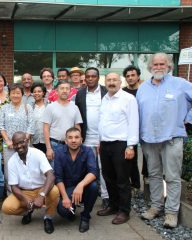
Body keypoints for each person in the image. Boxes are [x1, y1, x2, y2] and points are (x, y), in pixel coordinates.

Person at [137, 53, 192, 228]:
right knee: (153, 175)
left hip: (171, 138)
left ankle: (171, 213)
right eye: (156, 64)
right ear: (150, 67)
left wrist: (188, 118)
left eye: (162, 64)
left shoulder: (180, 84)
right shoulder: (143, 87)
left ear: (169, 66)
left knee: (172, 177)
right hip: (149, 139)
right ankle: (155, 207)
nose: (159, 67)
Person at [97, 72, 139, 225]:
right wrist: (100, 141)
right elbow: (103, 122)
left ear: (120, 82)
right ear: (105, 82)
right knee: (108, 178)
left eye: (115, 80)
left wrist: (131, 146)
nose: (111, 82)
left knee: (122, 180)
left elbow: (134, 123)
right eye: (109, 80)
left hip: (121, 144)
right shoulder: (105, 98)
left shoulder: (128, 99)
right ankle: (113, 206)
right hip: (105, 144)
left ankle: (124, 211)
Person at [1, 132, 59, 234]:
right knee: (7, 207)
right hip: (25, 192)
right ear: (13, 145)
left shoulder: (38, 154)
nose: (19, 146)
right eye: (16, 144)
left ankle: (48, 217)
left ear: (27, 141)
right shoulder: (12, 161)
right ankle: (28, 211)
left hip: (42, 188)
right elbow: (13, 187)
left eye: (21, 142)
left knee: (54, 191)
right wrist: (25, 200)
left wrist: (41, 196)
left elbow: (51, 175)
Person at [74, 67, 109, 209]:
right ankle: (84, 196)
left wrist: (102, 138)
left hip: (104, 138)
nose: (90, 79)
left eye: (93, 76)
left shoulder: (106, 92)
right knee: (86, 168)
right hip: (86, 138)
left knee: (103, 169)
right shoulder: (80, 94)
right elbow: (77, 115)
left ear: (98, 77)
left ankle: (106, 197)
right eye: (87, 76)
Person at [54, 127, 98, 233]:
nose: (73, 140)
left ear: (81, 140)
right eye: (70, 138)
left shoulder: (88, 151)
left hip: (84, 189)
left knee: (94, 186)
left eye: (76, 137)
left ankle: (85, 217)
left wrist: (81, 185)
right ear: (66, 140)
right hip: (68, 188)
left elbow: (93, 172)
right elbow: (58, 178)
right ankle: (71, 211)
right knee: (63, 211)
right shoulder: (59, 152)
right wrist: (64, 197)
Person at [0, 83, 34, 181]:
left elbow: (31, 126)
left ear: (22, 94)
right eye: (13, 93)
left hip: (24, 145)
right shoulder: (4, 108)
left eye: (18, 93)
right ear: (9, 95)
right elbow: (1, 126)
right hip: (9, 146)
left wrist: (24, 141)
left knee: (25, 167)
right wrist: (8, 141)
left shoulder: (28, 107)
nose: (15, 95)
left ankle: (26, 191)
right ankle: (10, 193)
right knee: (9, 169)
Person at [43, 81, 83, 164]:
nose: (64, 91)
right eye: (62, 88)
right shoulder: (50, 107)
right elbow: (46, 129)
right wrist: (49, 148)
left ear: (70, 91)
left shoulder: (75, 107)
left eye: (67, 89)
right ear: (56, 91)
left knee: (71, 171)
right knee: (55, 172)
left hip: (71, 145)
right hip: (55, 145)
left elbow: (77, 127)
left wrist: (79, 143)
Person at [122, 65, 144, 192]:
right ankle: (135, 185)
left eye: (133, 75)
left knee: (147, 159)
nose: (130, 78)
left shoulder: (144, 90)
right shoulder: (123, 92)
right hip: (130, 130)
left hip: (144, 128)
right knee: (131, 158)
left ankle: (144, 180)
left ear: (138, 76)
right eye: (128, 76)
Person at [31, 83, 47, 153]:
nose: (36, 93)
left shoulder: (49, 106)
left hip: (47, 141)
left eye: (39, 91)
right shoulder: (29, 107)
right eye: (34, 92)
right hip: (34, 141)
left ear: (43, 93)